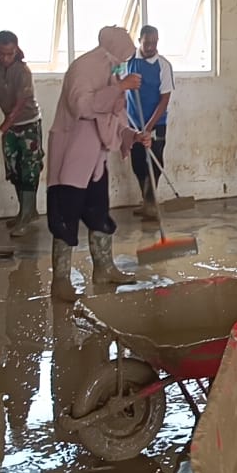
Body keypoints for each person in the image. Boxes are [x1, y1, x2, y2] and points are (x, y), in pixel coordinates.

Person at [45, 26, 151, 301]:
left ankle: (104, 268)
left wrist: (132, 134)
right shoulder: (83, 68)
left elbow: (117, 115)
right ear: (109, 52)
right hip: (72, 155)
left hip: (95, 158)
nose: (122, 63)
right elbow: (81, 106)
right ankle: (60, 280)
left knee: (99, 213)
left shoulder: (112, 71)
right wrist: (119, 87)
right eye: (121, 57)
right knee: (65, 217)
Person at [0, 30, 44, 237]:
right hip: (10, 126)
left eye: (11, 54)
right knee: (14, 170)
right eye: (3, 53)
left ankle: (26, 216)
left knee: (29, 170)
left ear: (16, 50)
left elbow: (19, 106)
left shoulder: (23, 71)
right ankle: (27, 211)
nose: (6, 58)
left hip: (29, 124)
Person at [126, 25, 175, 220]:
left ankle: (150, 202)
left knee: (155, 161)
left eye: (154, 43)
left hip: (156, 122)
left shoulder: (163, 65)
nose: (150, 47)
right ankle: (147, 201)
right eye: (147, 43)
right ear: (140, 41)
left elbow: (165, 99)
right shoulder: (128, 61)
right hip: (133, 123)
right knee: (138, 163)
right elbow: (114, 78)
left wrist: (150, 125)